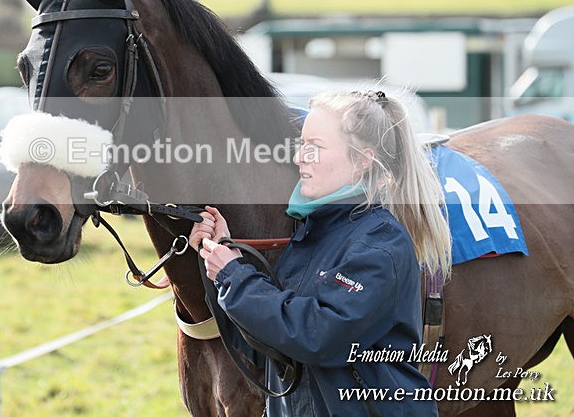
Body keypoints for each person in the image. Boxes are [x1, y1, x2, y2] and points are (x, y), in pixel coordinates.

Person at [189, 90, 452, 416]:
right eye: (301, 145)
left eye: (314, 147)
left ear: (362, 161)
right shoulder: (313, 233)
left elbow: (318, 336)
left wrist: (234, 275)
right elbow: (265, 347)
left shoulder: (378, 244)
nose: (299, 157)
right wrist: (220, 256)